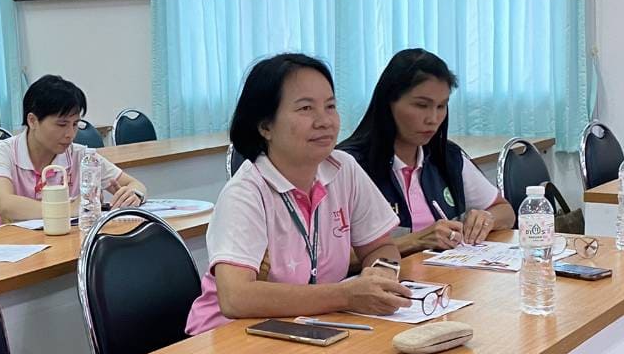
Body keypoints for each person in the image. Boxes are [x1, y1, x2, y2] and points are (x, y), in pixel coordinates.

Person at [185, 53, 410, 334]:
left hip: (304, 326)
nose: (324, 121)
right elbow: (236, 298)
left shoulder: (344, 169)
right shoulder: (246, 192)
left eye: (330, 106)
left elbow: (380, 248)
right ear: (265, 126)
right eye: (306, 108)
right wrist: (346, 295)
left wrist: (382, 273)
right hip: (229, 336)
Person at [340, 48, 515, 254]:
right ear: (389, 103)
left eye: (441, 106)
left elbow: (506, 211)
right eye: (421, 105)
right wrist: (415, 241)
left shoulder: (446, 156)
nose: (433, 119)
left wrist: (487, 219)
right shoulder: (349, 166)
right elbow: (327, 259)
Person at [0, 74, 147, 225]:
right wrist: (69, 209)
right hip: (8, 242)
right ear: (33, 121)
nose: (70, 134)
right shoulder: (2, 152)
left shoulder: (82, 156)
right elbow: (5, 204)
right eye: (62, 124)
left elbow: (135, 184)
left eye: (75, 124)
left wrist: (134, 195)